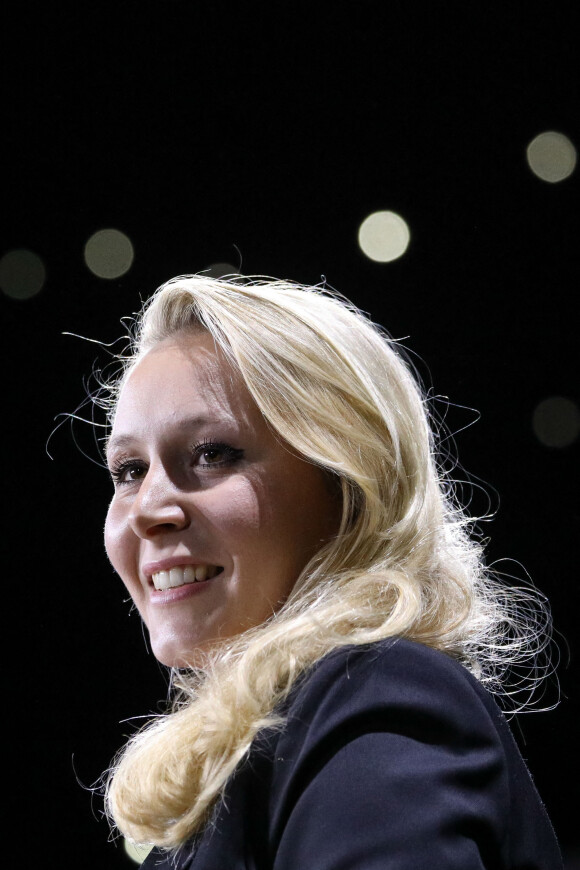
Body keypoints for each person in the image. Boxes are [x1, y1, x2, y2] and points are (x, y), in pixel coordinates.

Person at [100, 273, 562, 868]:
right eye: (128, 470)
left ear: (349, 486)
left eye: (212, 454)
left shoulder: (379, 693)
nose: (148, 512)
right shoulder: (262, 748)